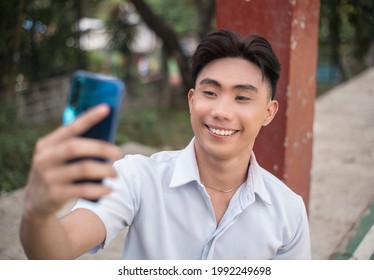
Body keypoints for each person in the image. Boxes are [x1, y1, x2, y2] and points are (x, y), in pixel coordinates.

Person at [20, 29, 311, 260]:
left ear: (268, 113)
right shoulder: (136, 177)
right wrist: (38, 214)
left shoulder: (288, 212)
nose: (221, 111)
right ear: (191, 100)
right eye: (210, 92)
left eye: (242, 97)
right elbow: (59, 248)